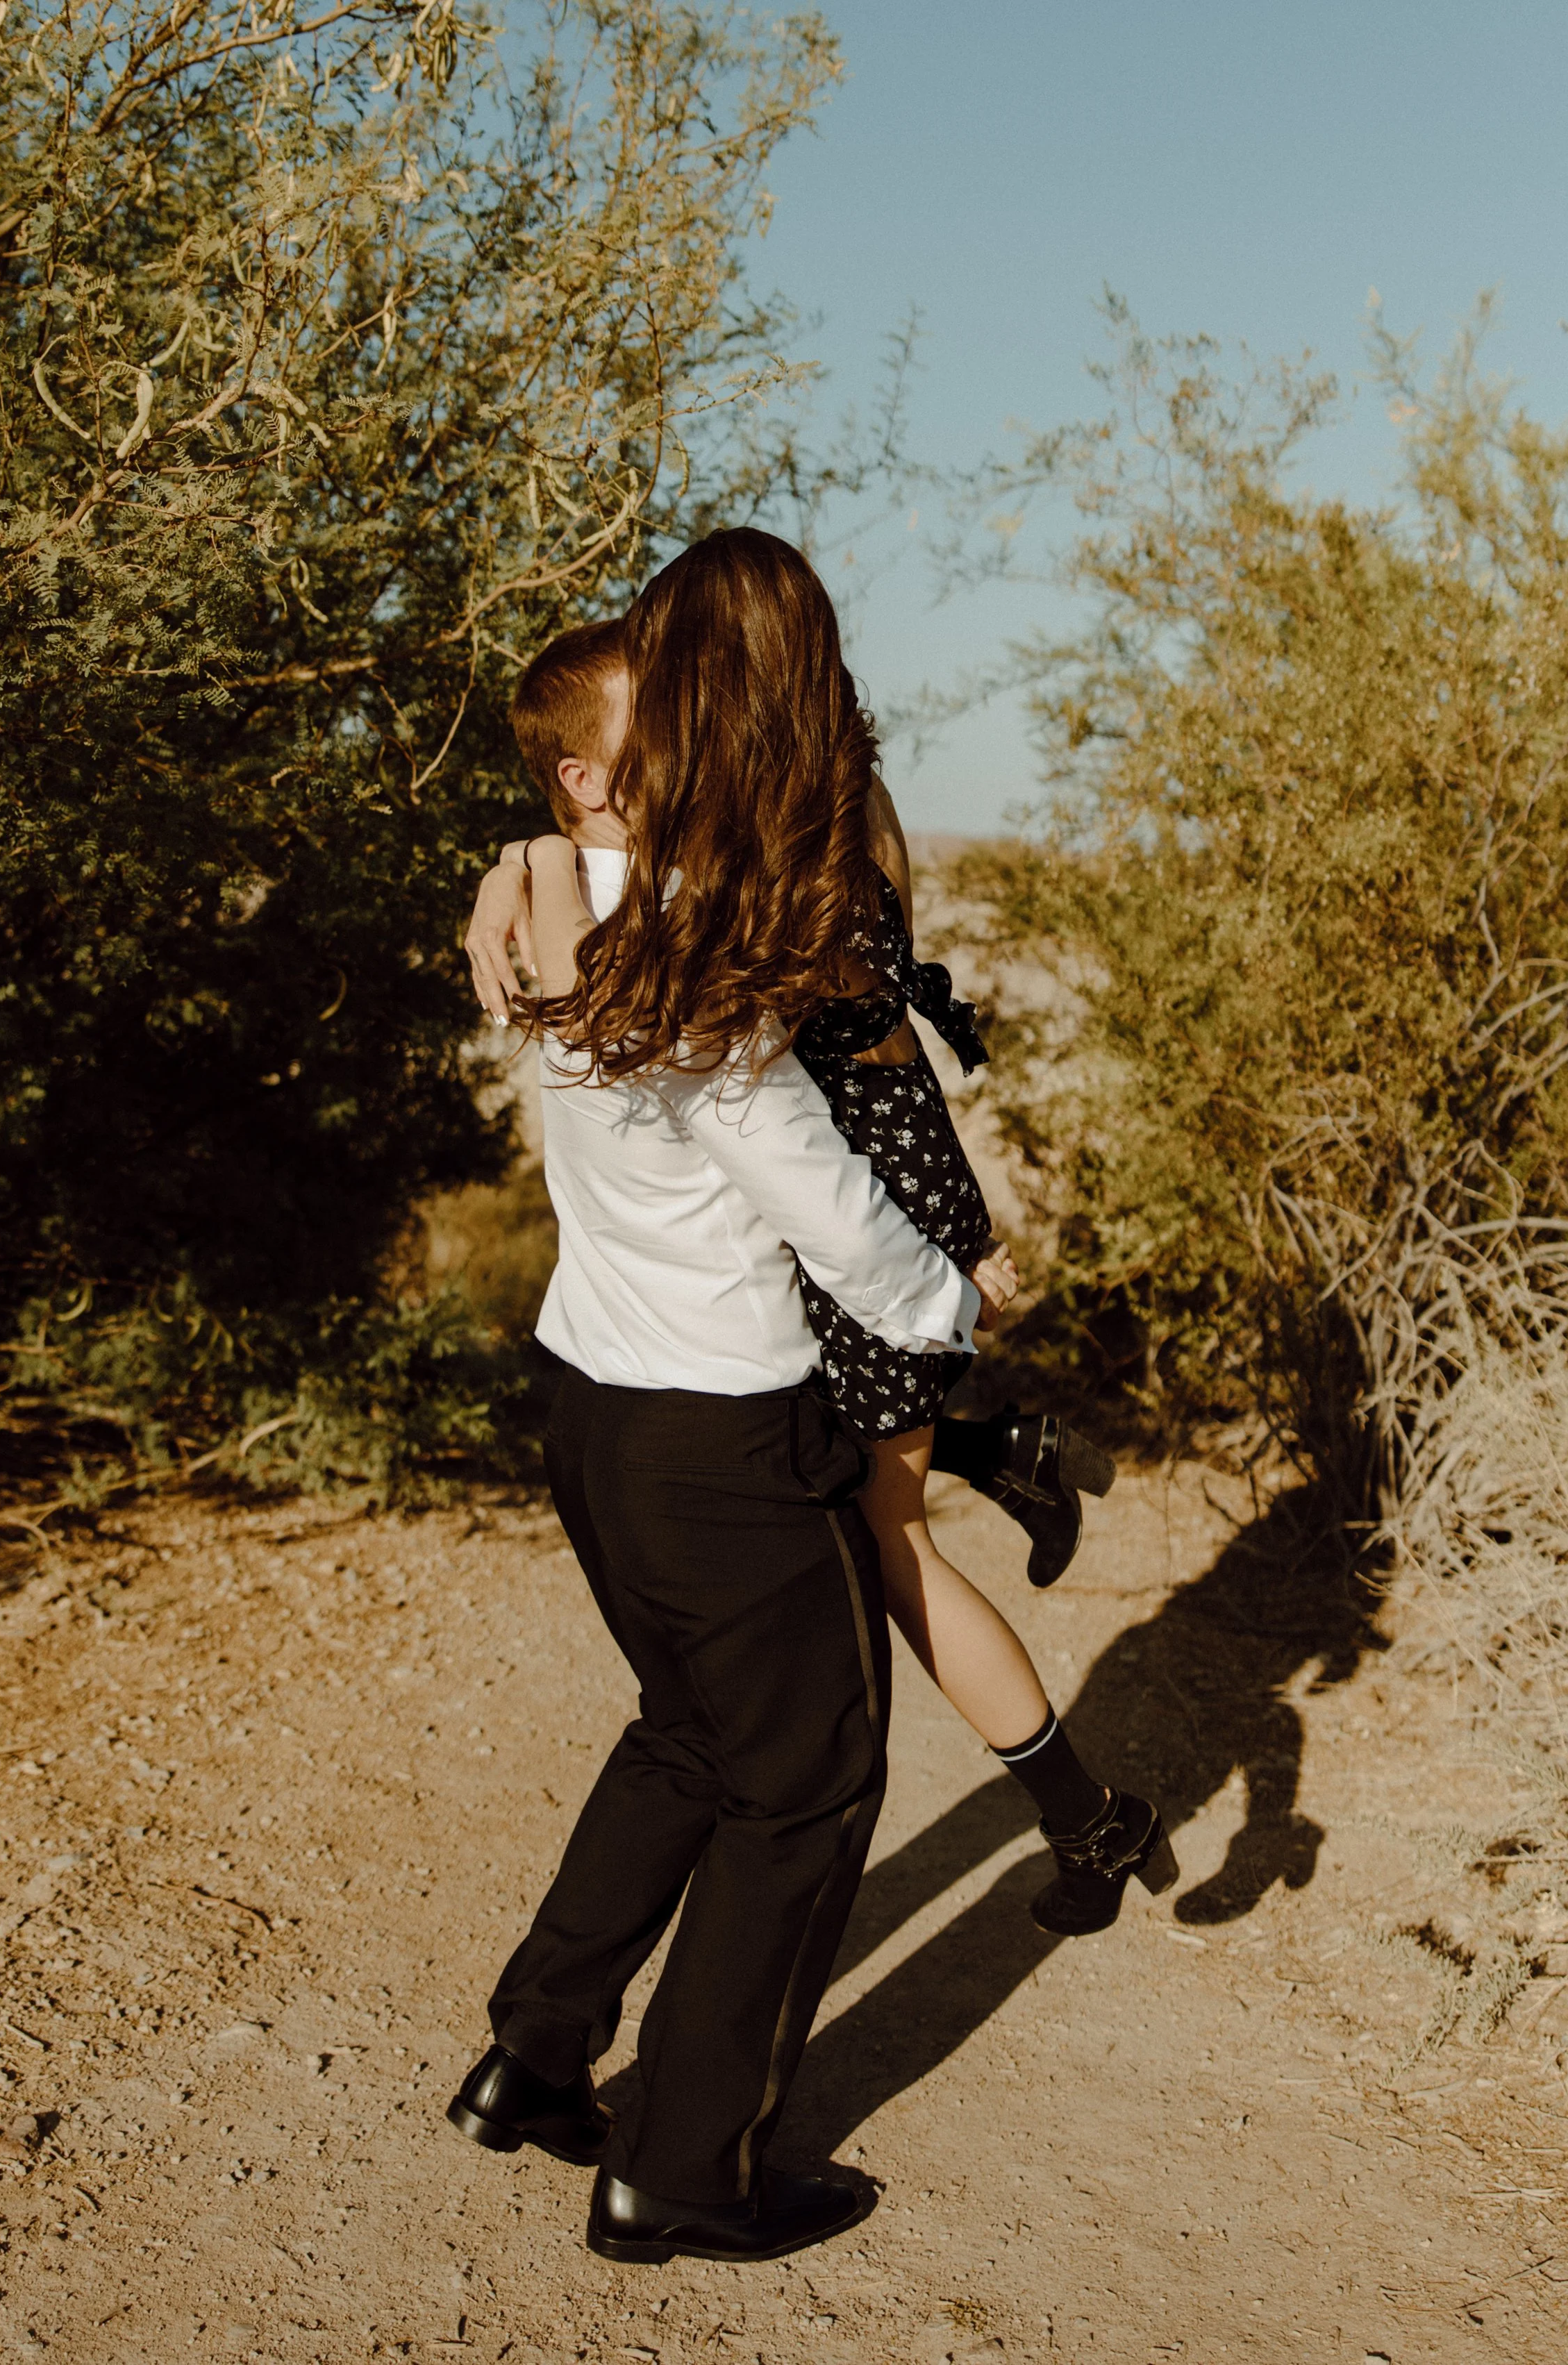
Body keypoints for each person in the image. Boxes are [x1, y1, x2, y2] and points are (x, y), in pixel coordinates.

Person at [444, 532, 1010, 2268]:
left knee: (689, 1733)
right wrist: (953, 1302)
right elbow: (824, 1206)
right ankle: (685, 2165)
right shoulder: (686, 959)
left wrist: (538, 841)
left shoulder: (581, 922)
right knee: (809, 1775)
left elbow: (624, 842)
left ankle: (535, 2059)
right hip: (717, 1434)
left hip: (594, 1407)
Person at [469, 590, 1176, 1941]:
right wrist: (529, 863)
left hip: (845, 1239)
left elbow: (819, 1049)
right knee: (872, 1511)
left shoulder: (790, 855)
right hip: (835, 1237)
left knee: (885, 1538)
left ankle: (1085, 1801)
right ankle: (1008, 1502)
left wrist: (534, 870)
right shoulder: (817, 817)